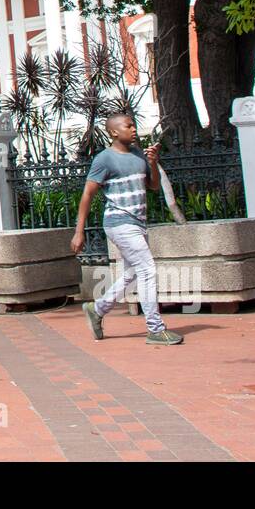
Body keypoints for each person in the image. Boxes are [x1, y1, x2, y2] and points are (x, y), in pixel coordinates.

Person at [70, 113, 184, 346]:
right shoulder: (104, 159)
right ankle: (155, 328)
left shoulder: (137, 154)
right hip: (119, 222)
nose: (133, 129)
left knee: (133, 273)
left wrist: (152, 161)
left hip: (138, 223)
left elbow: (152, 186)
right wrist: (79, 231)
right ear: (113, 132)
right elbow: (87, 194)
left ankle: (97, 309)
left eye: (133, 125)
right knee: (148, 270)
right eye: (128, 126)